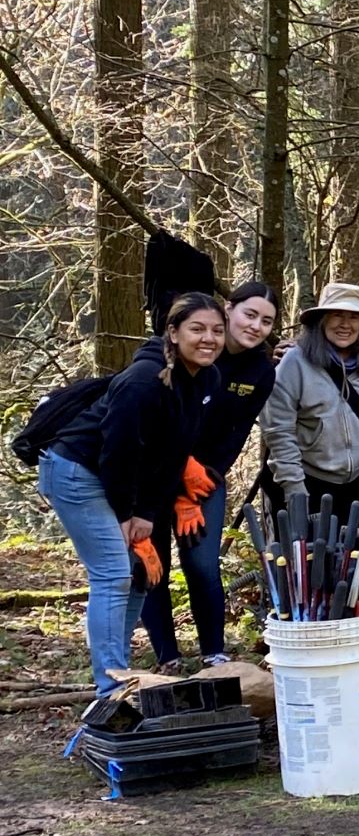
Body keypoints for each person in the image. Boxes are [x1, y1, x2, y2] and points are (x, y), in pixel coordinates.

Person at [40, 293, 225, 694]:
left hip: (124, 481)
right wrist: (129, 515)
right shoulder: (143, 383)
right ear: (173, 333)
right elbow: (117, 454)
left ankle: (119, 671)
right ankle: (111, 690)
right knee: (114, 573)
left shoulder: (205, 378)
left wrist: (149, 512)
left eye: (216, 330)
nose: (208, 338)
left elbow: (173, 454)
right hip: (76, 473)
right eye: (197, 329)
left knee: (140, 576)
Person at [140, 282, 278, 672]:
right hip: (152, 473)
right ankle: (167, 656)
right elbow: (149, 417)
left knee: (202, 564)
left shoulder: (260, 371)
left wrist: (202, 480)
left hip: (203, 480)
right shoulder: (180, 350)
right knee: (154, 565)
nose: (255, 326)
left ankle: (214, 652)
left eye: (266, 321)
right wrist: (177, 463)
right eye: (249, 315)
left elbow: (235, 435)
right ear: (228, 309)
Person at [261, 283, 359, 514]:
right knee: (299, 552)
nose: (345, 324)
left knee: (356, 552)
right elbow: (278, 430)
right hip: (306, 481)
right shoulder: (295, 362)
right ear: (321, 320)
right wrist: (294, 488)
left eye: (354, 317)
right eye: (337, 315)